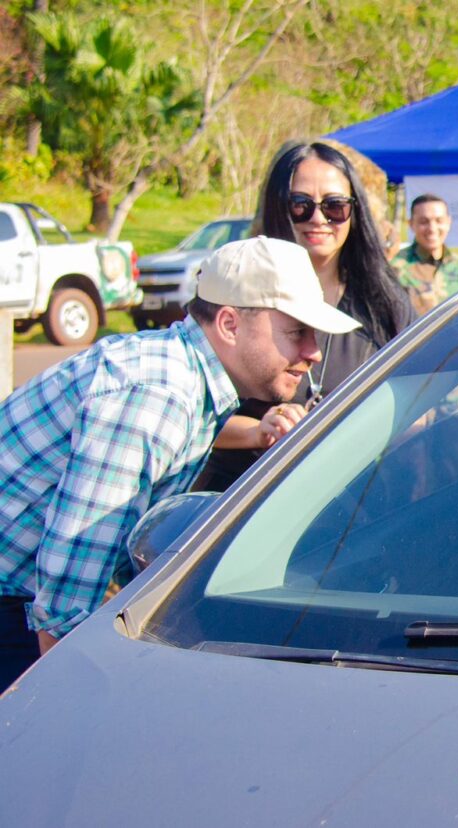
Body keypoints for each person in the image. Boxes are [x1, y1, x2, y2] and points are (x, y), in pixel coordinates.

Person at [0, 236, 360, 688]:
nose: (314, 353)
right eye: (296, 333)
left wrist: (253, 432)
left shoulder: (180, 373)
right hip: (17, 605)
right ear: (229, 323)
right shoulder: (155, 397)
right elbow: (66, 601)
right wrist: (65, 700)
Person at [194, 141, 416, 492]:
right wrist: (257, 431)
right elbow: (192, 415)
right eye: (301, 205)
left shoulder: (386, 303)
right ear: (278, 208)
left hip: (353, 504)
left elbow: (418, 404)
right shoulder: (236, 290)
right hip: (241, 506)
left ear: (355, 212)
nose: (318, 219)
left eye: (335, 206)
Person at [390, 193, 458, 316]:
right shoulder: (396, 266)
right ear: (411, 224)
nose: (432, 228)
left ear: (448, 222)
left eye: (439, 221)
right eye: (424, 222)